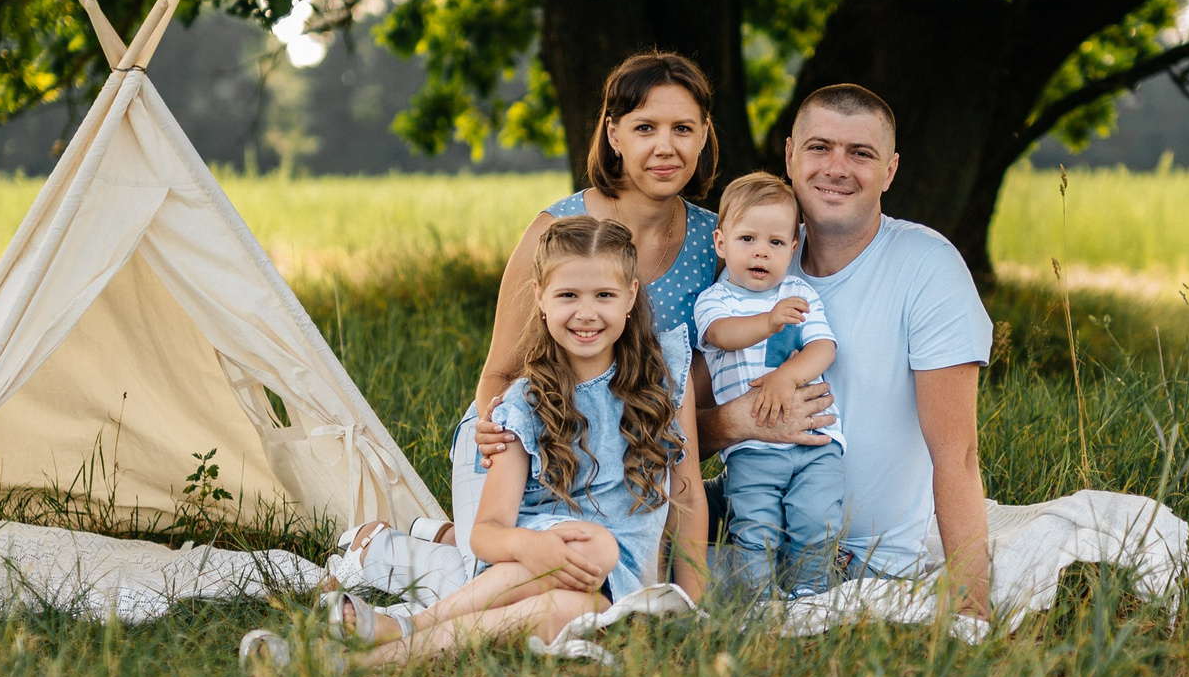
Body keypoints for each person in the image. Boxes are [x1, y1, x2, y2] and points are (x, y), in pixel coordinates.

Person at [335, 50, 722, 597]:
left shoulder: (718, 241)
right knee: (505, 580)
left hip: (622, 450)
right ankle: (378, 550)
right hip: (528, 432)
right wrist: (501, 436)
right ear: (613, 134)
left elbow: (705, 370)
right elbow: (500, 372)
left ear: (705, 134)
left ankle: (442, 537)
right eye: (645, 128)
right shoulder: (556, 229)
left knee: (595, 581)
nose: (666, 146)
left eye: (683, 128)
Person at [280, 216, 694, 664]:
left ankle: (369, 655)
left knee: (574, 602)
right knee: (593, 545)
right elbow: (486, 533)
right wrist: (533, 548)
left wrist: (694, 604)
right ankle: (394, 639)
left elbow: (687, 492)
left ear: (632, 295)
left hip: (619, 588)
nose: (587, 312)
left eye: (605, 295)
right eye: (568, 295)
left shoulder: (663, 377)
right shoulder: (525, 404)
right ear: (539, 296)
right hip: (525, 564)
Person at [697, 84, 994, 615]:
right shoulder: (752, 260)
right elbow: (680, 431)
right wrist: (735, 424)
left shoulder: (927, 267)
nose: (836, 167)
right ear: (790, 155)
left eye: (861, 153)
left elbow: (959, 454)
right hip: (753, 502)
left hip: (856, 554)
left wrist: (972, 605)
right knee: (624, 521)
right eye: (819, 147)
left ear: (890, 170)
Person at [694, 172, 843, 593]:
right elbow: (723, 335)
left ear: (792, 249)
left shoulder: (800, 292)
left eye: (776, 243)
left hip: (817, 442)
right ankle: (758, 603)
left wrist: (786, 376)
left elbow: (823, 348)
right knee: (756, 527)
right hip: (753, 448)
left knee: (817, 519)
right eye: (748, 240)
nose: (762, 252)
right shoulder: (715, 300)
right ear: (722, 243)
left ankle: (808, 596)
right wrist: (769, 320)